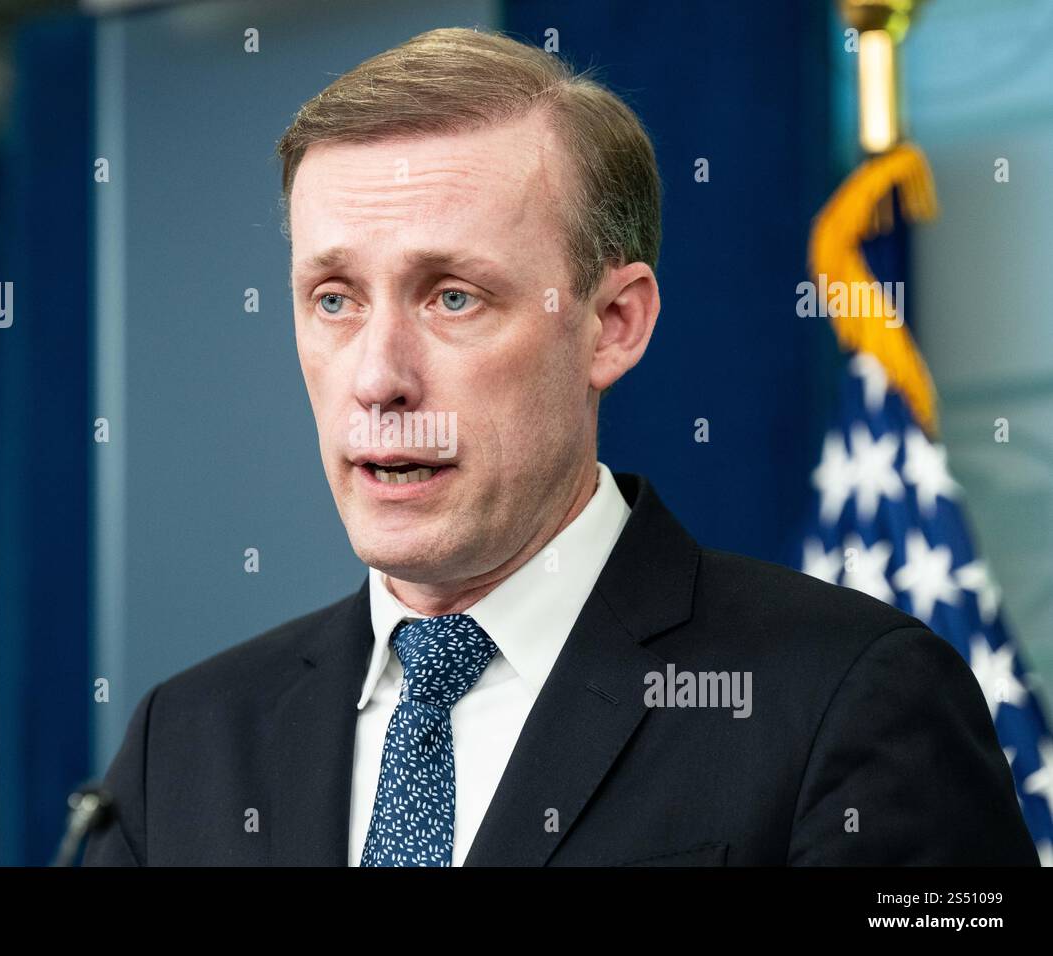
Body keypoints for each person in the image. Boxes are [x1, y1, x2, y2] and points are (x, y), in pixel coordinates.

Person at [83, 27, 1038, 866]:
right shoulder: (188, 743)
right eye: (334, 299)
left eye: (453, 295)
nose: (378, 377)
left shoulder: (847, 698)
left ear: (614, 324)